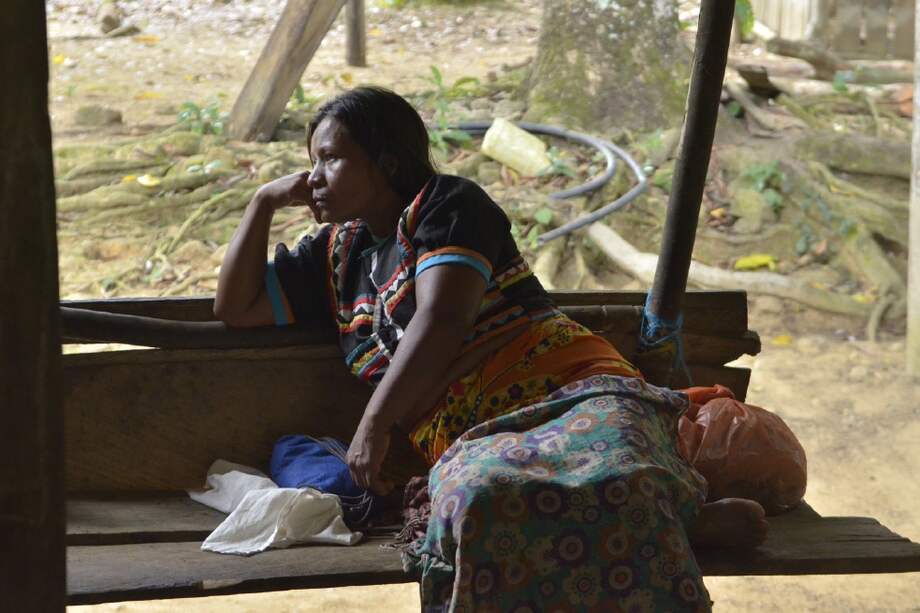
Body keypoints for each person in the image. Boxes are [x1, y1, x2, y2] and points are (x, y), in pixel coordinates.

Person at [214, 86, 767, 611]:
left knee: (610, 459)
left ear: (385, 161)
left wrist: (373, 427)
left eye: (330, 158)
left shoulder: (448, 204)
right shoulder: (338, 256)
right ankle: (670, 515)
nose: (313, 177)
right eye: (310, 162)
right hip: (478, 443)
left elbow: (442, 318)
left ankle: (653, 502)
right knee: (479, 498)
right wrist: (263, 201)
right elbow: (235, 307)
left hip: (575, 392)